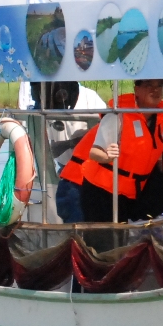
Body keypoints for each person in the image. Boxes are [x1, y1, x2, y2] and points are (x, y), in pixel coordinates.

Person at [73, 78, 163, 223]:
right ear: (137, 90)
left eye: (159, 86)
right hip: (101, 190)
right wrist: (107, 156)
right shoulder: (117, 116)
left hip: (130, 193)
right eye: (149, 85)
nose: (155, 90)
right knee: (105, 241)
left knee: (162, 190)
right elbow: (94, 152)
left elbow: (161, 163)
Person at [43, 82, 106, 223]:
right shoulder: (46, 99)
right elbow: (52, 148)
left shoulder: (90, 98)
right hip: (66, 172)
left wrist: (74, 143)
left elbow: (106, 132)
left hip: (91, 173)